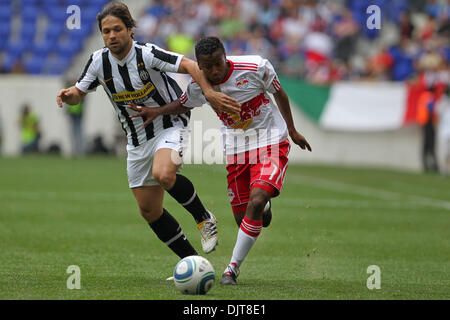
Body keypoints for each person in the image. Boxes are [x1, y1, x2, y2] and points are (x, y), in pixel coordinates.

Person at [56, 3, 240, 261]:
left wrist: (210, 93)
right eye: (106, 31)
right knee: (149, 211)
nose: (111, 35)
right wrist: (69, 95)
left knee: (163, 173)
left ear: (130, 29)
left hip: (169, 124)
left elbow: (189, 65)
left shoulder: (146, 54)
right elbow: (79, 92)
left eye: (117, 29)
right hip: (136, 139)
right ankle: (193, 263)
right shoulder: (98, 61)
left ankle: (203, 217)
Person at [128, 36, 312, 285]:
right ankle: (263, 207)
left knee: (255, 201)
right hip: (236, 153)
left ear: (225, 56)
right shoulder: (200, 87)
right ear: (200, 67)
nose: (215, 71)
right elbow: (183, 105)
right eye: (208, 66)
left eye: (219, 63)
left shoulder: (256, 67)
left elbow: (280, 94)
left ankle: (231, 270)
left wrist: (291, 130)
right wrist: (158, 111)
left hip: (270, 142)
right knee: (245, 217)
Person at [417, 85, 439, 172]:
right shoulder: (429, 96)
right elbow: (430, 108)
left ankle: (425, 164)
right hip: (428, 121)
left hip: (423, 122)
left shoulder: (422, 96)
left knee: (425, 143)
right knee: (431, 143)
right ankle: (434, 165)